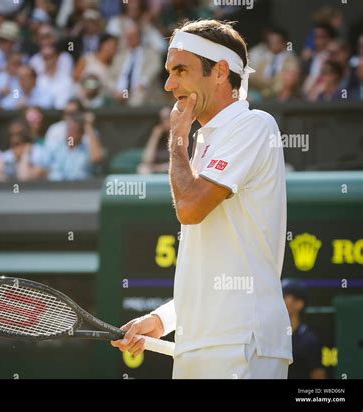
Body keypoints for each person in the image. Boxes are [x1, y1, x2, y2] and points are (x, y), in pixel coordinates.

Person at [111, 19, 292, 379]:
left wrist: (177, 141)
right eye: (168, 71)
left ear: (221, 71)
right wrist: (162, 320)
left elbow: (190, 210)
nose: (168, 84)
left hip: (241, 344)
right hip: (203, 345)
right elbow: (212, 273)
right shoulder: (206, 142)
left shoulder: (255, 126)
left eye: (180, 70)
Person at [282, 279, 326, 379]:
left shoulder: (309, 340)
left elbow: (318, 375)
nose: (279, 301)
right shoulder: (270, 336)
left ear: (299, 304)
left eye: (284, 296)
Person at [137, 106, 171, 174]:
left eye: (169, 117)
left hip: (171, 168)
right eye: (164, 118)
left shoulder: (179, 134)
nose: (166, 121)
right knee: (143, 169)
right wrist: (155, 136)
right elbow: (146, 160)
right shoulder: (156, 135)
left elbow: (179, 161)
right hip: (156, 168)